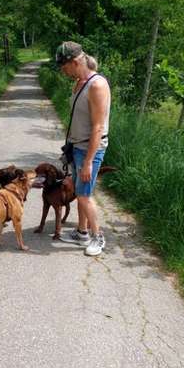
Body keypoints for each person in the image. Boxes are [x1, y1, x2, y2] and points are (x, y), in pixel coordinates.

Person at [55, 41, 111, 256]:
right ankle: (82, 232)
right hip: (76, 146)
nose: (63, 71)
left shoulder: (97, 85)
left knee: (84, 194)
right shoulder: (78, 82)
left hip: (91, 149)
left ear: (77, 61)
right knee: (80, 192)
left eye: (64, 66)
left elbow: (98, 126)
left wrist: (88, 161)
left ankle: (98, 237)